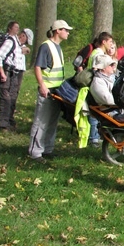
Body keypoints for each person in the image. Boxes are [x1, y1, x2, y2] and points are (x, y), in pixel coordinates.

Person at [28, 20, 73, 163]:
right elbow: (38, 67)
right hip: (47, 90)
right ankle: (35, 152)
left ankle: (47, 149)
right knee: (41, 121)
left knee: (52, 121)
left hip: (57, 91)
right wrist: (42, 85)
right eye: (66, 30)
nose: (68, 32)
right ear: (57, 30)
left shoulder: (58, 47)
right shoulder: (46, 46)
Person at [0, 21, 24, 131]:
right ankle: (3, 125)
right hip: (5, 73)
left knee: (12, 98)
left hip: (13, 74)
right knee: (5, 99)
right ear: (10, 28)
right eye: (15, 27)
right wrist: (1, 72)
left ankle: (9, 122)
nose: (17, 29)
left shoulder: (15, 41)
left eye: (18, 27)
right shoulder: (9, 41)